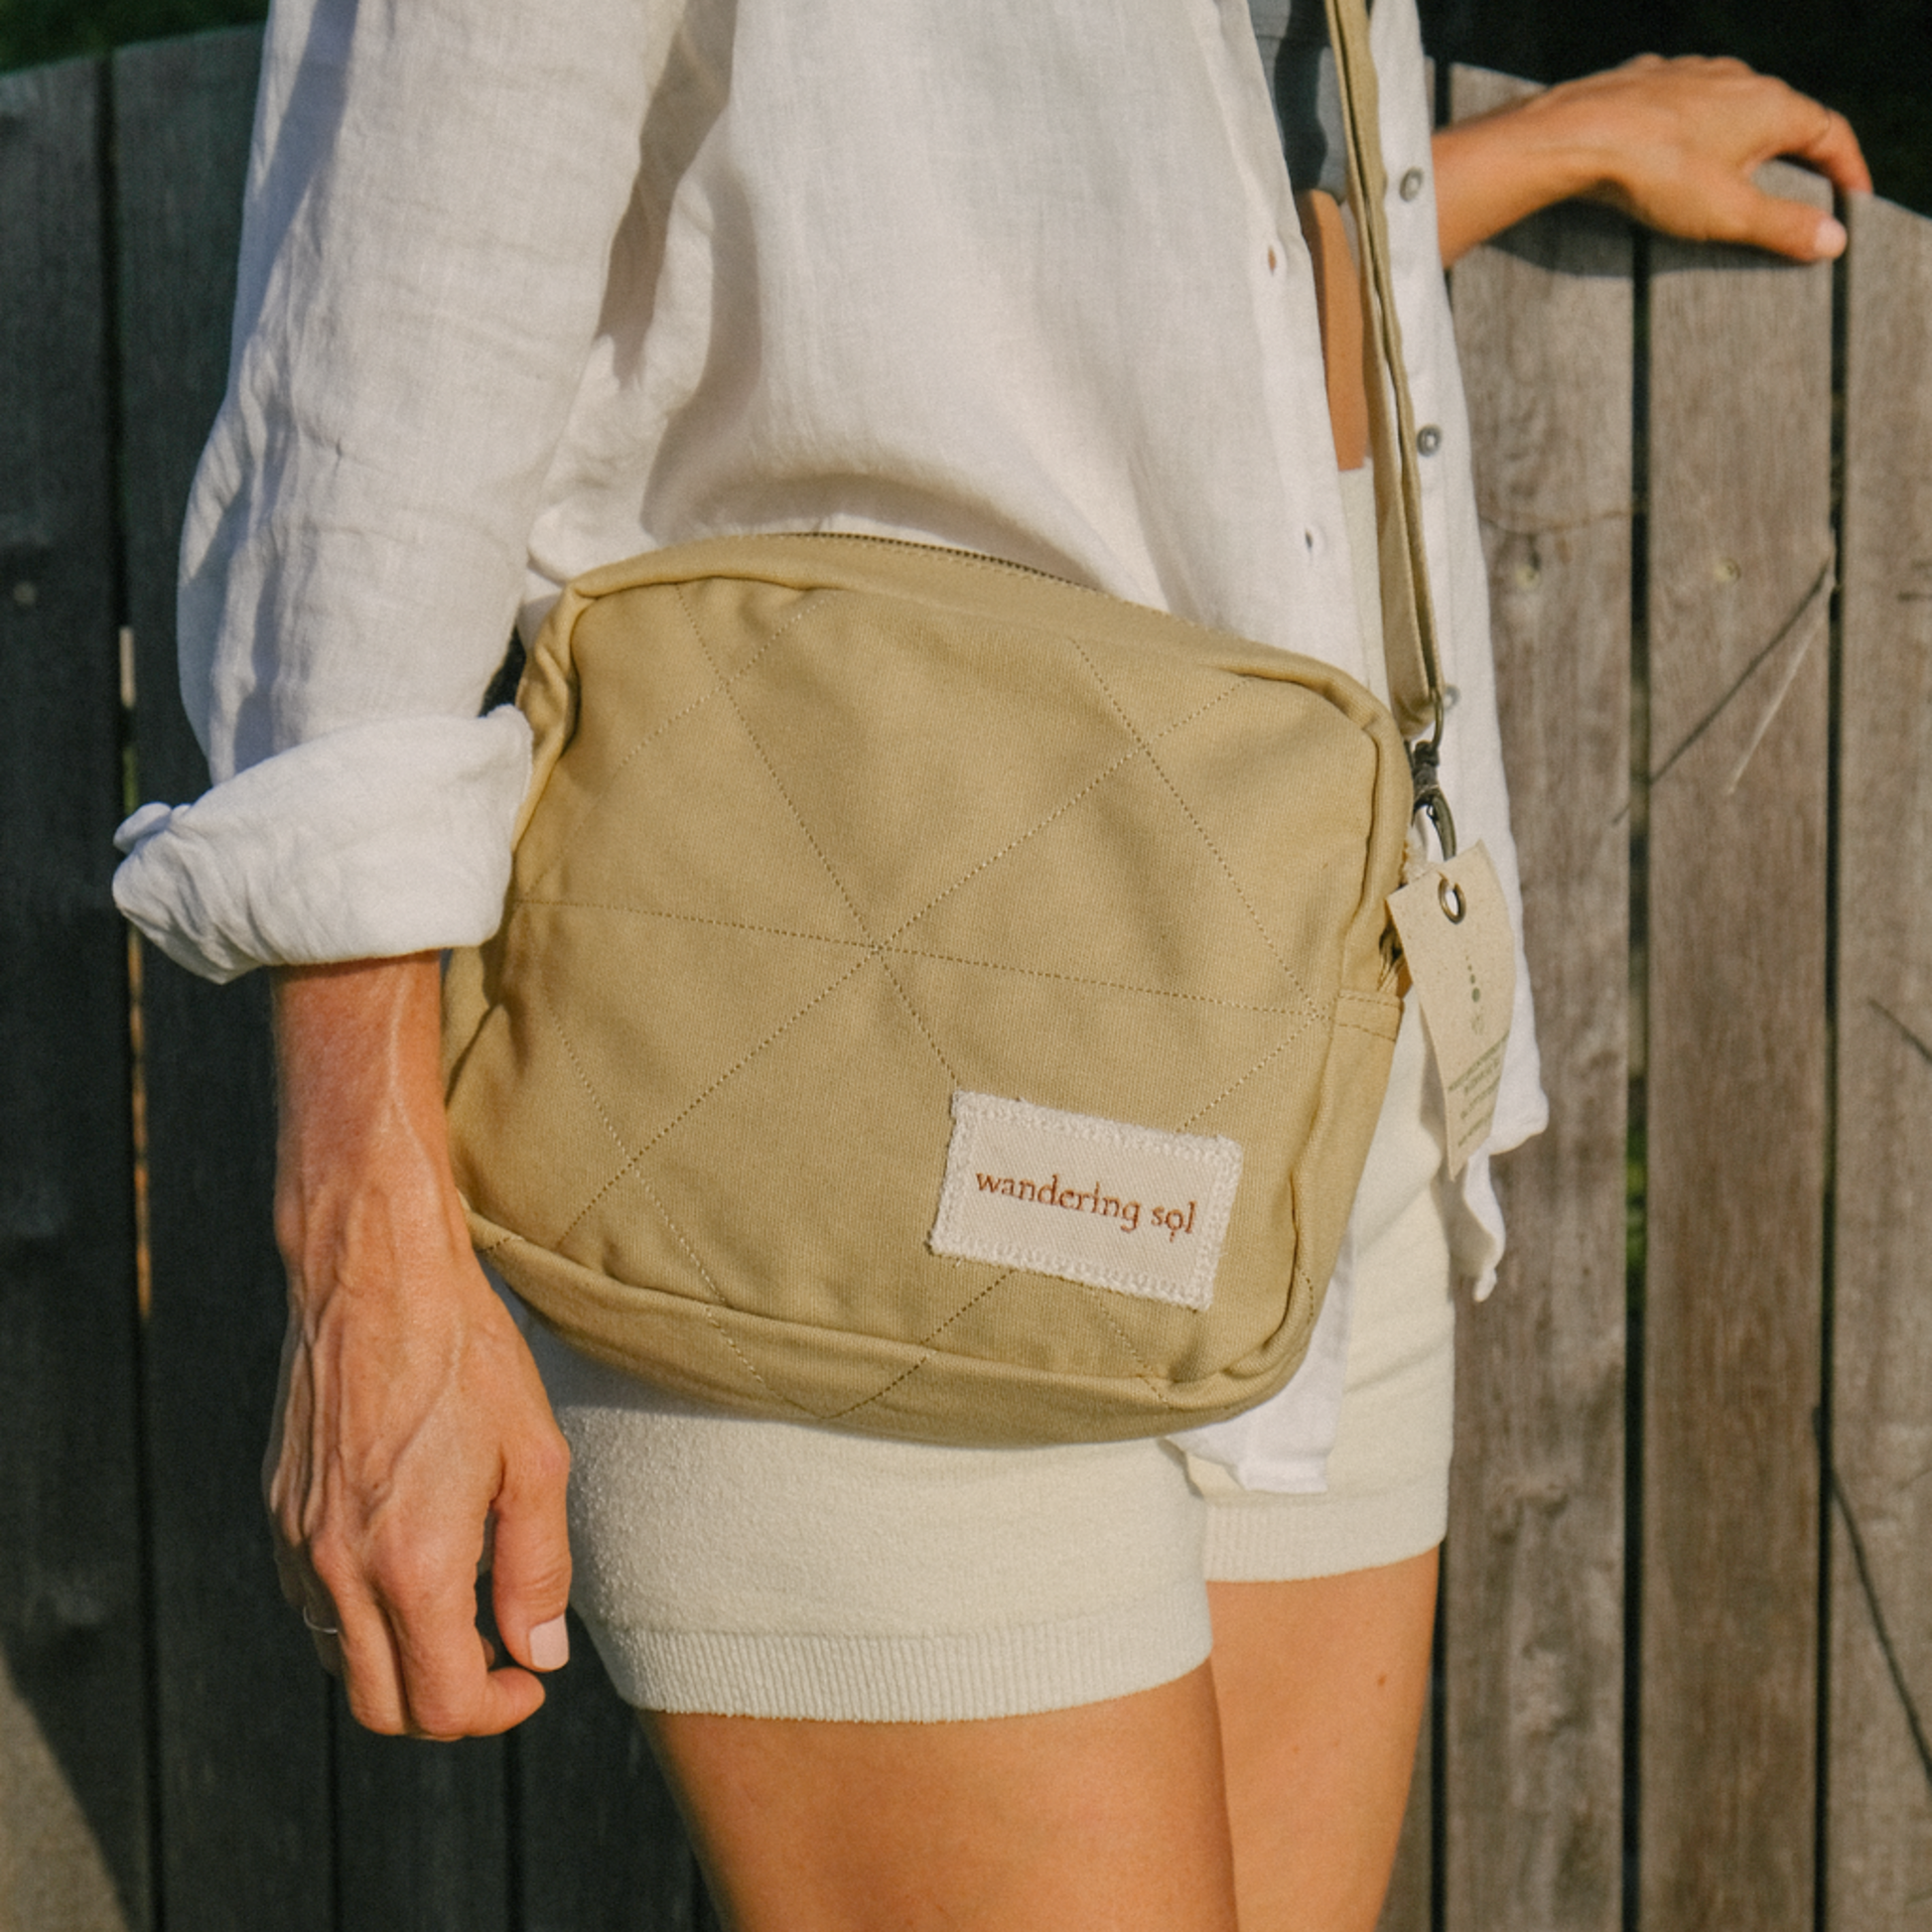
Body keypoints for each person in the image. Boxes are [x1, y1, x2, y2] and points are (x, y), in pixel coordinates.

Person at [111, 5, 1866, 1926]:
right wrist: (360, 1243)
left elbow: (1079, 331)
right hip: (834, 1085)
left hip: (1304, 1059)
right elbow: (371, 417)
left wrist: (1510, 159)